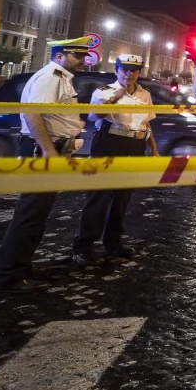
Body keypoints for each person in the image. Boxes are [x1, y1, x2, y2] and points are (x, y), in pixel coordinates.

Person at [0, 36, 97, 293]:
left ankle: (22, 267)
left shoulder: (61, 78)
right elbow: (33, 113)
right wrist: (49, 150)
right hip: (41, 151)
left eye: (84, 56)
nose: (83, 61)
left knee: (37, 214)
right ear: (59, 56)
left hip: (49, 150)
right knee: (30, 214)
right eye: (77, 56)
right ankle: (10, 277)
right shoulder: (51, 77)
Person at [77, 53, 157, 264]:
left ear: (139, 73)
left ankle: (113, 243)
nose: (129, 74)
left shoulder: (145, 94)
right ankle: (83, 246)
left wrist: (154, 150)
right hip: (110, 143)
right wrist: (115, 98)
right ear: (117, 70)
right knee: (99, 197)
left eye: (134, 70)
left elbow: (146, 123)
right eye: (124, 70)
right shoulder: (104, 91)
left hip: (135, 145)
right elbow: (93, 116)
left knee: (123, 198)